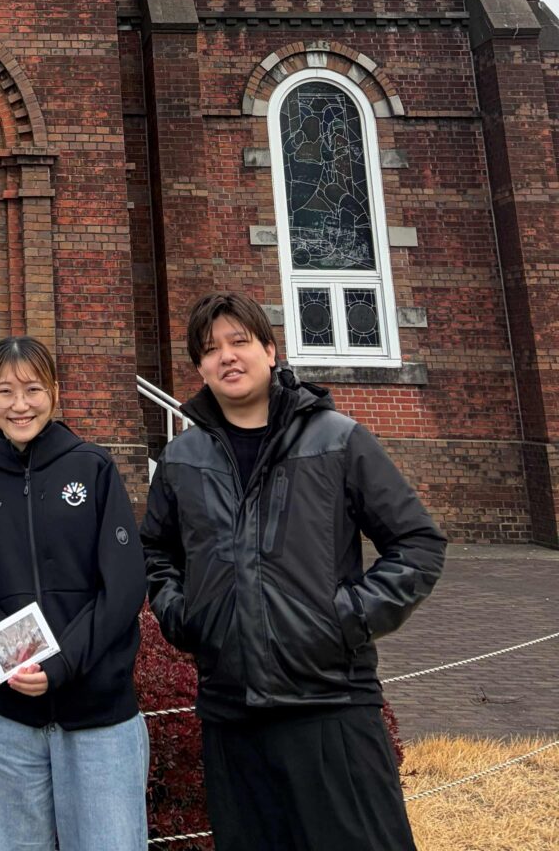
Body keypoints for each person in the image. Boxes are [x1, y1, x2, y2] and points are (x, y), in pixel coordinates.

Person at [141, 290, 447, 851]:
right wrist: (186, 618)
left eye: (239, 342)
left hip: (330, 705)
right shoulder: (182, 460)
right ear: (199, 367)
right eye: (210, 350)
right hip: (231, 713)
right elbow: (155, 554)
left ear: (270, 349)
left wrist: (342, 620)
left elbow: (418, 544)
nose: (227, 357)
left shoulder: (337, 439)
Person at [0, 336, 149, 851]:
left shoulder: (93, 468)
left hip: (100, 716)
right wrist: (18, 658)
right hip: (6, 719)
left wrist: (58, 664)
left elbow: (123, 588)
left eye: (33, 388)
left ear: (55, 392)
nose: (20, 404)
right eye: (5, 391)